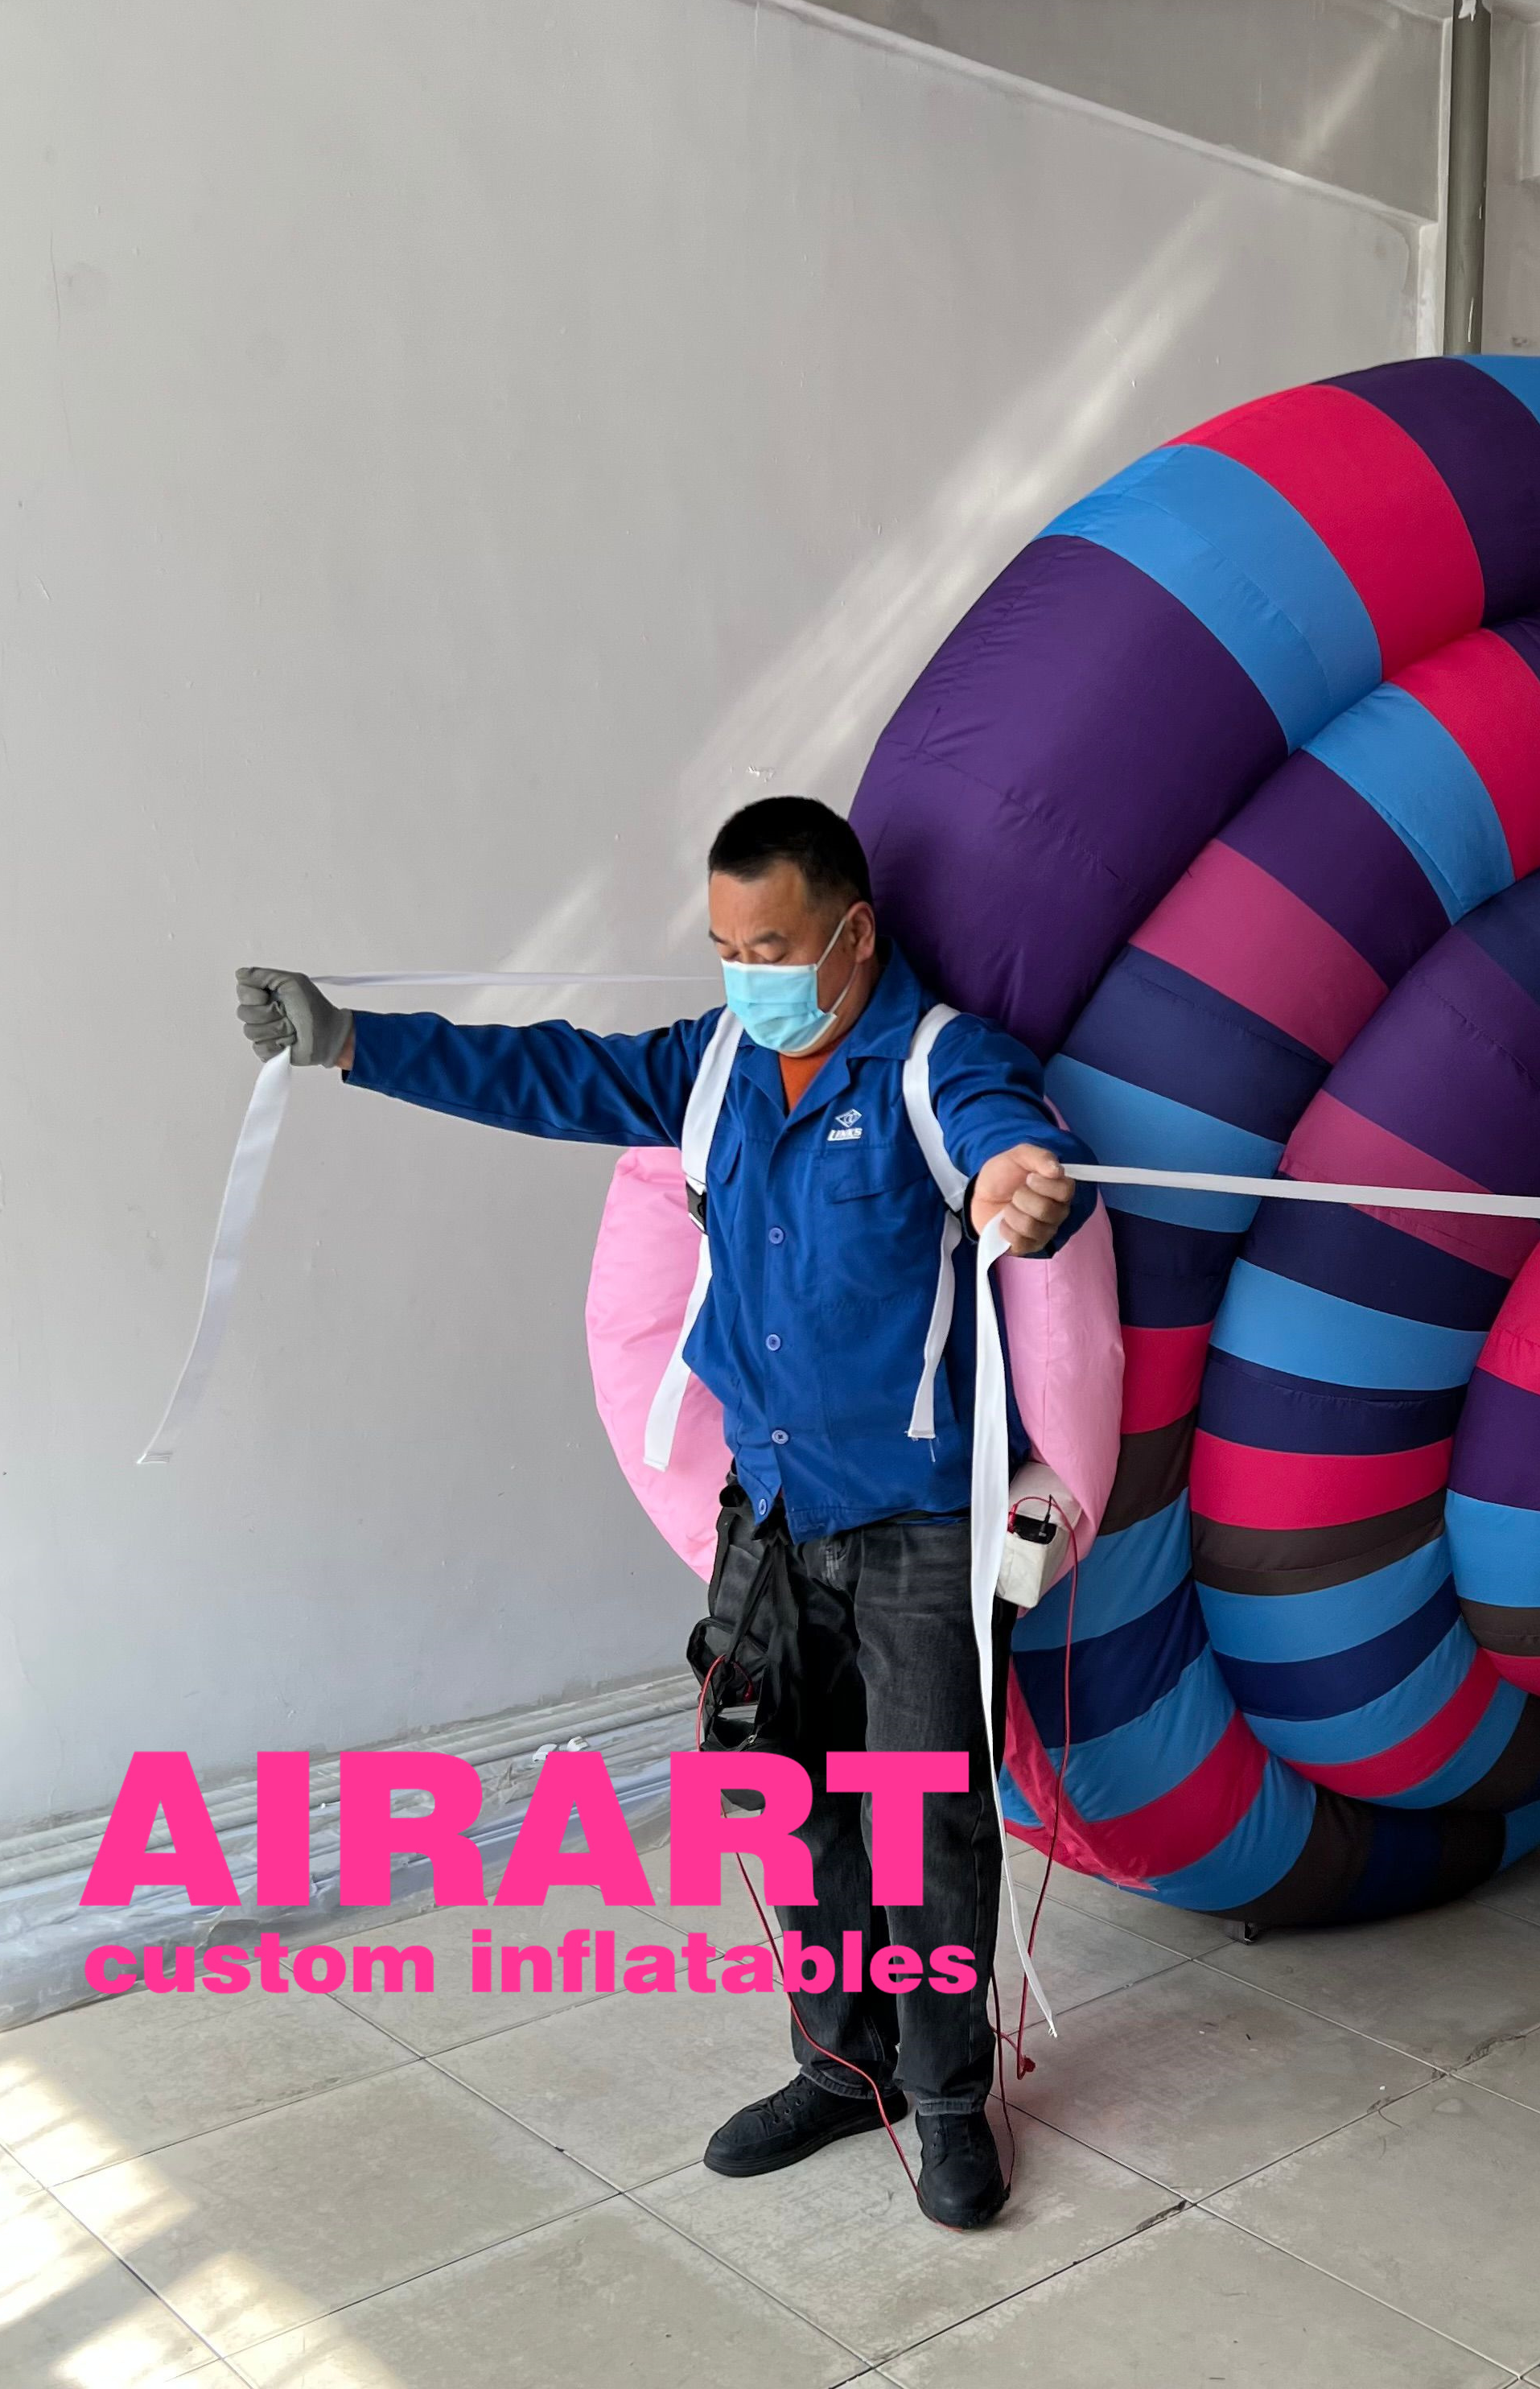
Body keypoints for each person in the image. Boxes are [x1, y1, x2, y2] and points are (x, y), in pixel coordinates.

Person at [236, 797, 1085, 2230]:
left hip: (917, 1532)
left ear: (853, 935)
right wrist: (349, 1041)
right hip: (772, 1521)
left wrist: (1015, 1180)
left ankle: (948, 2103)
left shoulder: (940, 1065)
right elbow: (550, 1076)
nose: (744, 971)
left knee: (928, 1826)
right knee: (788, 1801)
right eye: (722, 945)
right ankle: (841, 2066)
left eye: (773, 945)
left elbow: (1003, 1137)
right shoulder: (713, 1068)